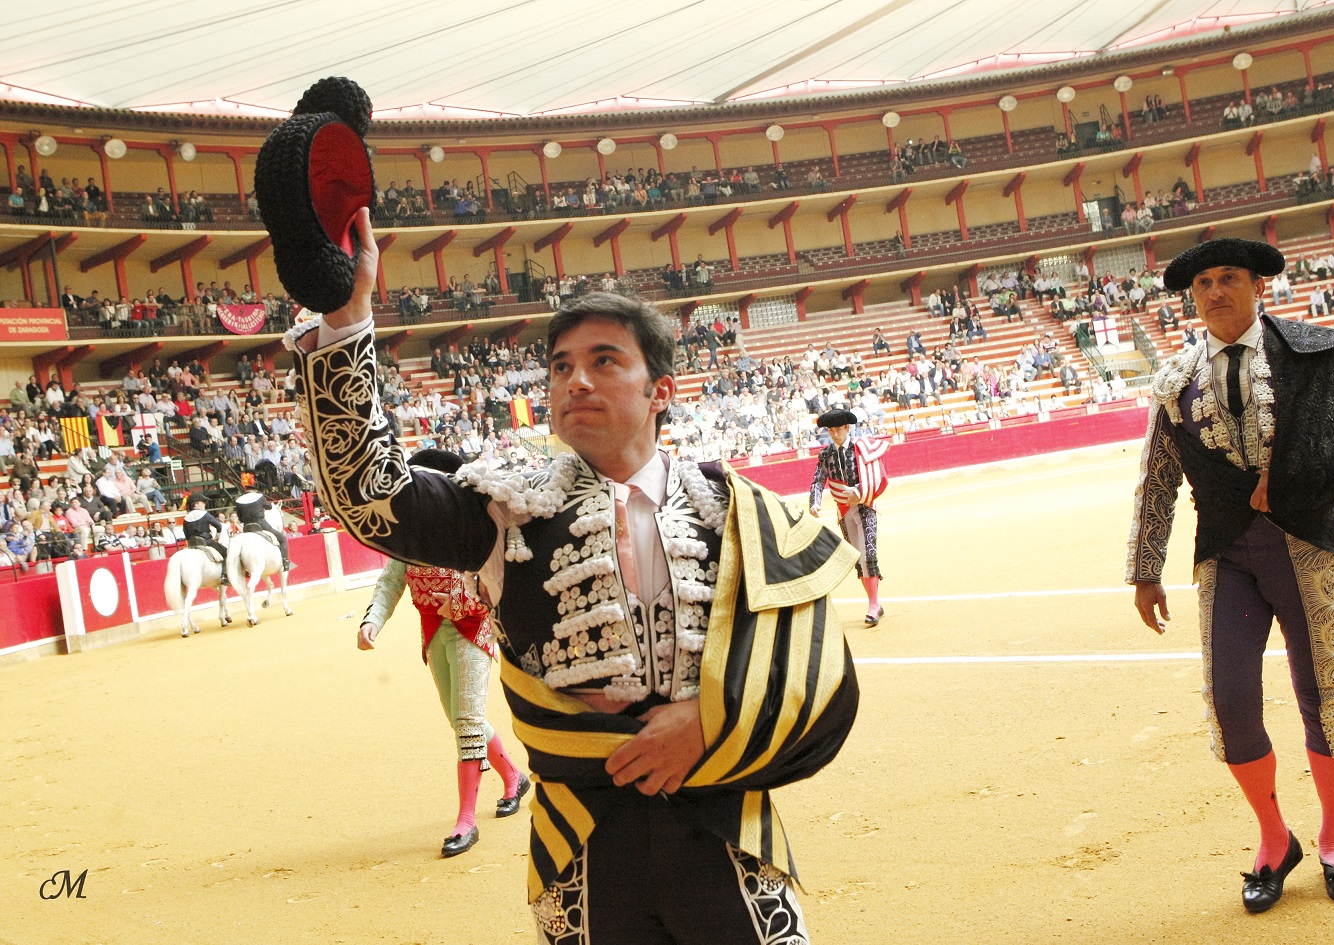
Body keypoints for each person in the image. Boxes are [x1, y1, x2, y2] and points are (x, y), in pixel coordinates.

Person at [285, 209, 858, 945]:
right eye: (560, 366)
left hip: (725, 830)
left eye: (605, 361)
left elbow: (816, 674)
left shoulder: (734, 511)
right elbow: (367, 493)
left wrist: (711, 722)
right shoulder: (505, 508)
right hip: (583, 848)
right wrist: (347, 318)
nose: (575, 380)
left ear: (661, 390)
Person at [1127, 238, 1334, 913]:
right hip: (1227, 553)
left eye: (1230, 278)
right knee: (1231, 702)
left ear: (1259, 285)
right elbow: (1157, 478)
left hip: (1307, 546)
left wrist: (1297, 484)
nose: (1215, 291)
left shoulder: (1312, 352)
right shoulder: (1175, 379)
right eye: (1203, 283)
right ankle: (1275, 839)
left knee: (1324, 691)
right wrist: (1145, 568)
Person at [359, 451, 529, 858]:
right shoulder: (408, 534)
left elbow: (499, 581)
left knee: (467, 721)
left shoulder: (472, 525)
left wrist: (469, 604)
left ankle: (466, 821)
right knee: (461, 719)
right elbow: (391, 582)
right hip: (435, 631)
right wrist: (372, 621)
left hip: (473, 629)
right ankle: (514, 777)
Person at [807, 408, 889, 626]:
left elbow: (876, 477)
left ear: (846, 428)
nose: (835, 434)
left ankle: (873, 604)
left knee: (868, 554)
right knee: (857, 557)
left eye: (838, 430)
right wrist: (815, 502)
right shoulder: (825, 454)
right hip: (843, 510)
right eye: (831, 430)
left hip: (865, 506)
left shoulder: (862, 449)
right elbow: (818, 480)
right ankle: (875, 603)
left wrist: (860, 492)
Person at [233, 491, 293, 571]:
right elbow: (269, 507)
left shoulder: (239, 501)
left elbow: (240, 518)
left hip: (247, 527)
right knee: (282, 539)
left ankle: (242, 566)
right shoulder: (259, 497)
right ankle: (285, 562)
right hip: (261, 525)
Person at [182, 494, 229, 584]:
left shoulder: (186, 518)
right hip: (206, 542)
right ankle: (224, 575)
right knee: (227, 553)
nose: (204, 504)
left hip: (192, 544)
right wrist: (217, 536)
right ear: (195, 504)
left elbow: (186, 534)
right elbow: (218, 525)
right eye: (202, 502)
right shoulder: (204, 514)